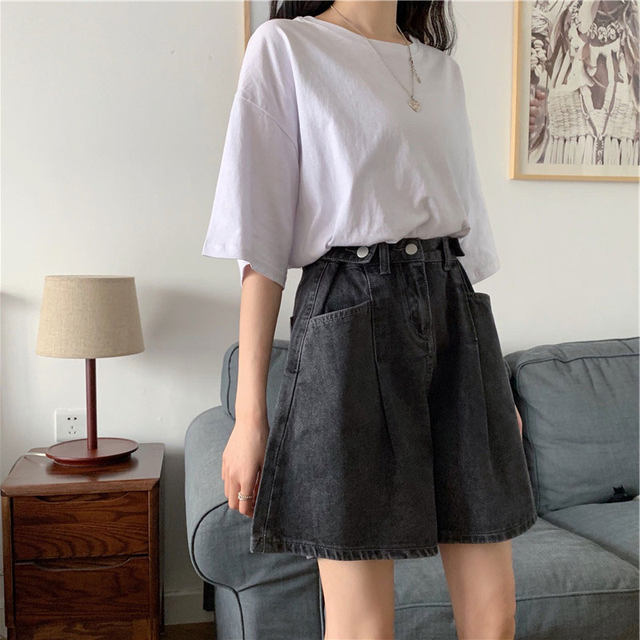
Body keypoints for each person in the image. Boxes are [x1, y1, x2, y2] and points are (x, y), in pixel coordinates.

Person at [201, 2, 538, 638]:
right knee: (362, 625)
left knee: (495, 617)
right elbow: (260, 247)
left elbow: (465, 240)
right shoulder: (286, 47)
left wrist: (492, 383)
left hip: (452, 306)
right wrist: (250, 418)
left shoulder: (440, 71)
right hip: (347, 317)